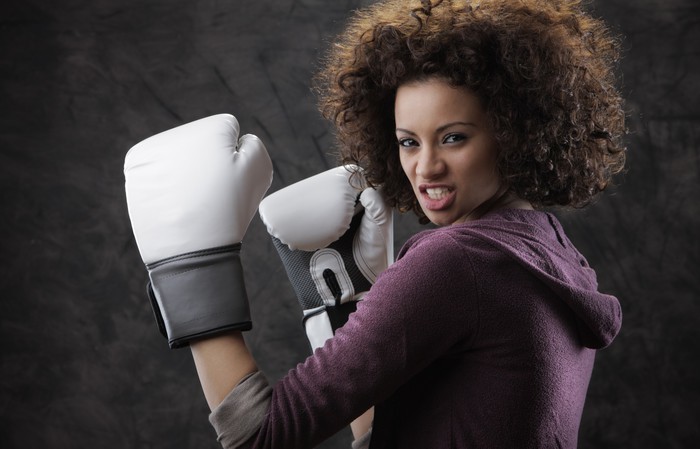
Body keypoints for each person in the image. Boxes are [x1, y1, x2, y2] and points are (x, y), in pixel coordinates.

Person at [124, 0, 626, 448]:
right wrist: (344, 305)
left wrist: (189, 265)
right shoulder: (551, 250)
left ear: (514, 133)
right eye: (408, 142)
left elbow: (260, 435)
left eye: (453, 137)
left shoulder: (457, 262)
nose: (425, 167)